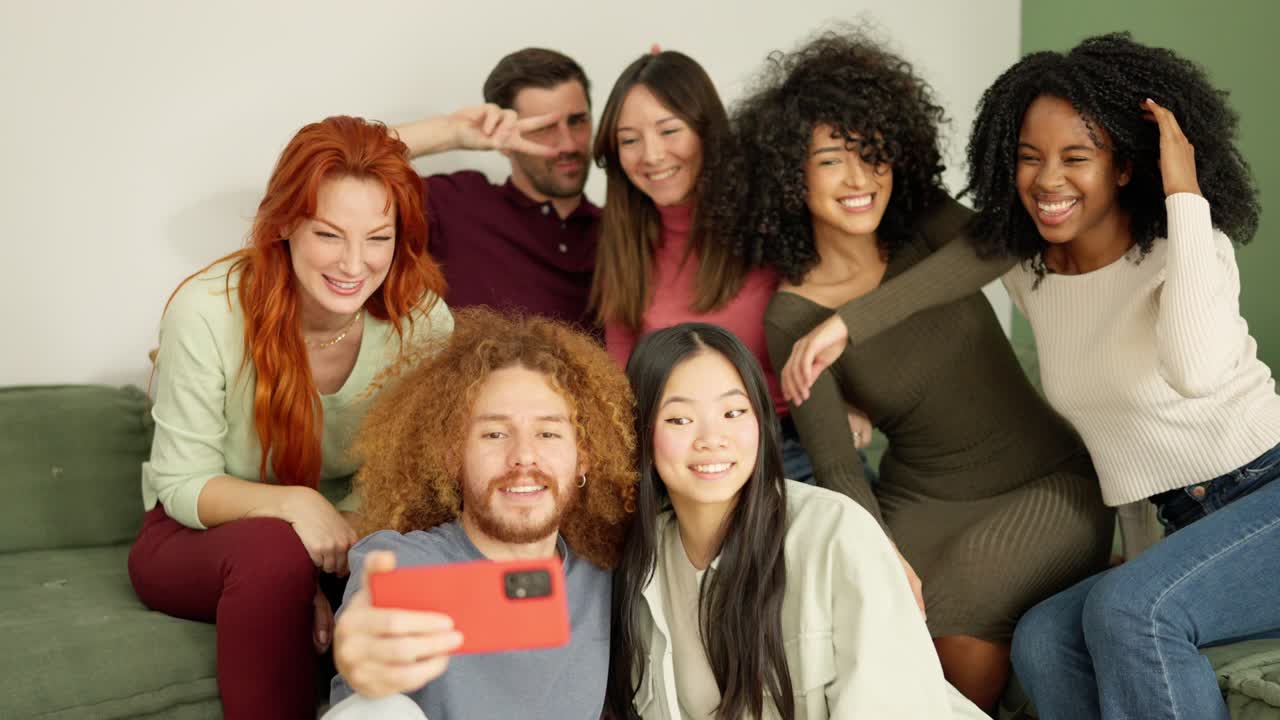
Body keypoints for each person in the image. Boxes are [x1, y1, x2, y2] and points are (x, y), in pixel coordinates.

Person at [724, 32, 1114, 710]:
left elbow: (1011, 242)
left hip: (1050, 480)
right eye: (831, 160)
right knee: (851, 611)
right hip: (922, 499)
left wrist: (852, 322)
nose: (860, 178)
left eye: (873, 154)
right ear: (791, 175)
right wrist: (881, 556)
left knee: (956, 605)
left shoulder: (925, 221)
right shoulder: (789, 317)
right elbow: (842, 474)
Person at [960, 33, 1280, 720]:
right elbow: (1129, 459)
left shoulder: (1191, 252)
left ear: (1126, 168)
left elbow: (1194, 372)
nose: (1048, 180)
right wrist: (845, 338)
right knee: (1045, 636)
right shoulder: (1032, 277)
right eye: (1028, 158)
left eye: (1077, 157)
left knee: (1130, 608)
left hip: (1271, 493)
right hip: (1191, 525)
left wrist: (1186, 191)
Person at [127, 116, 453, 719]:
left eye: (378, 238)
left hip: (354, 531)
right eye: (329, 234)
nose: (354, 264)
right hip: (199, 535)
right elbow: (181, 483)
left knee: (438, 548)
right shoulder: (206, 311)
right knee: (272, 554)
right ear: (285, 224)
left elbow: (411, 480)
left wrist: (330, 559)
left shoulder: (424, 323)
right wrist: (296, 507)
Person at [606, 323, 987, 719]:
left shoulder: (836, 534)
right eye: (679, 420)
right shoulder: (639, 563)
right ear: (641, 434)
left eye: (734, 412)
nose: (711, 438)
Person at [325, 308, 636, 720]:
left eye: (548, 433)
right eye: (494, 434)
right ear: (453, 454)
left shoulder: (606, 577)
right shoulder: (403, 564)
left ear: (584, 457)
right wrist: (361, 652)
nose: (523, 456)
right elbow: (369, 632)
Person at [591, 49, 876, 485]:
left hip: (789, 445)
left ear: (706, 130)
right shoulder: (625, 239)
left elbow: (840, 306)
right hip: (681, 457)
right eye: (629, 140)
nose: (651, 155)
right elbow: (620, 373)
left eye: (670, 130)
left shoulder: (765, 217)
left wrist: (851, 400)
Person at [392, 48, 599, 328]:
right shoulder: (457, 204)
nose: (569, 144)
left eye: (578, 121)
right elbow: (332, 164)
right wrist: (450, 133)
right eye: (543, 128)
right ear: (503, 138)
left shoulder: (621, 231)